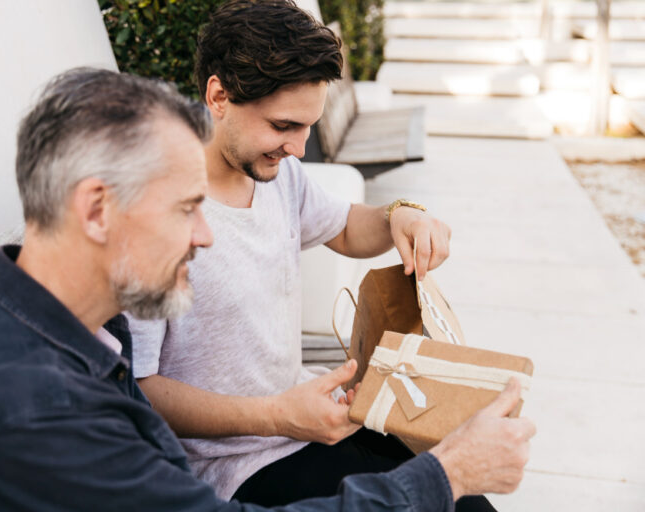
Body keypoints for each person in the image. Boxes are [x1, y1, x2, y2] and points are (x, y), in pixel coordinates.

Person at [0, 68, 532, 511]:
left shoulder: (67, 332)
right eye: (186, 208)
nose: (207, 235)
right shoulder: (30, 412)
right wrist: (446, 474)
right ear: (97, 209)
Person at [128, 1, 516, 510]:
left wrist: (401, 215)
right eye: (284, 125)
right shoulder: (150, 209)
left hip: (316, 424)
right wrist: (276, 416)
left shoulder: (274, 173)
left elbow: (345, 227)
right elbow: (139, 392)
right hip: (236, 468)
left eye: (308, 126)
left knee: (465, 494)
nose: (298, 147)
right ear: (218, 95)